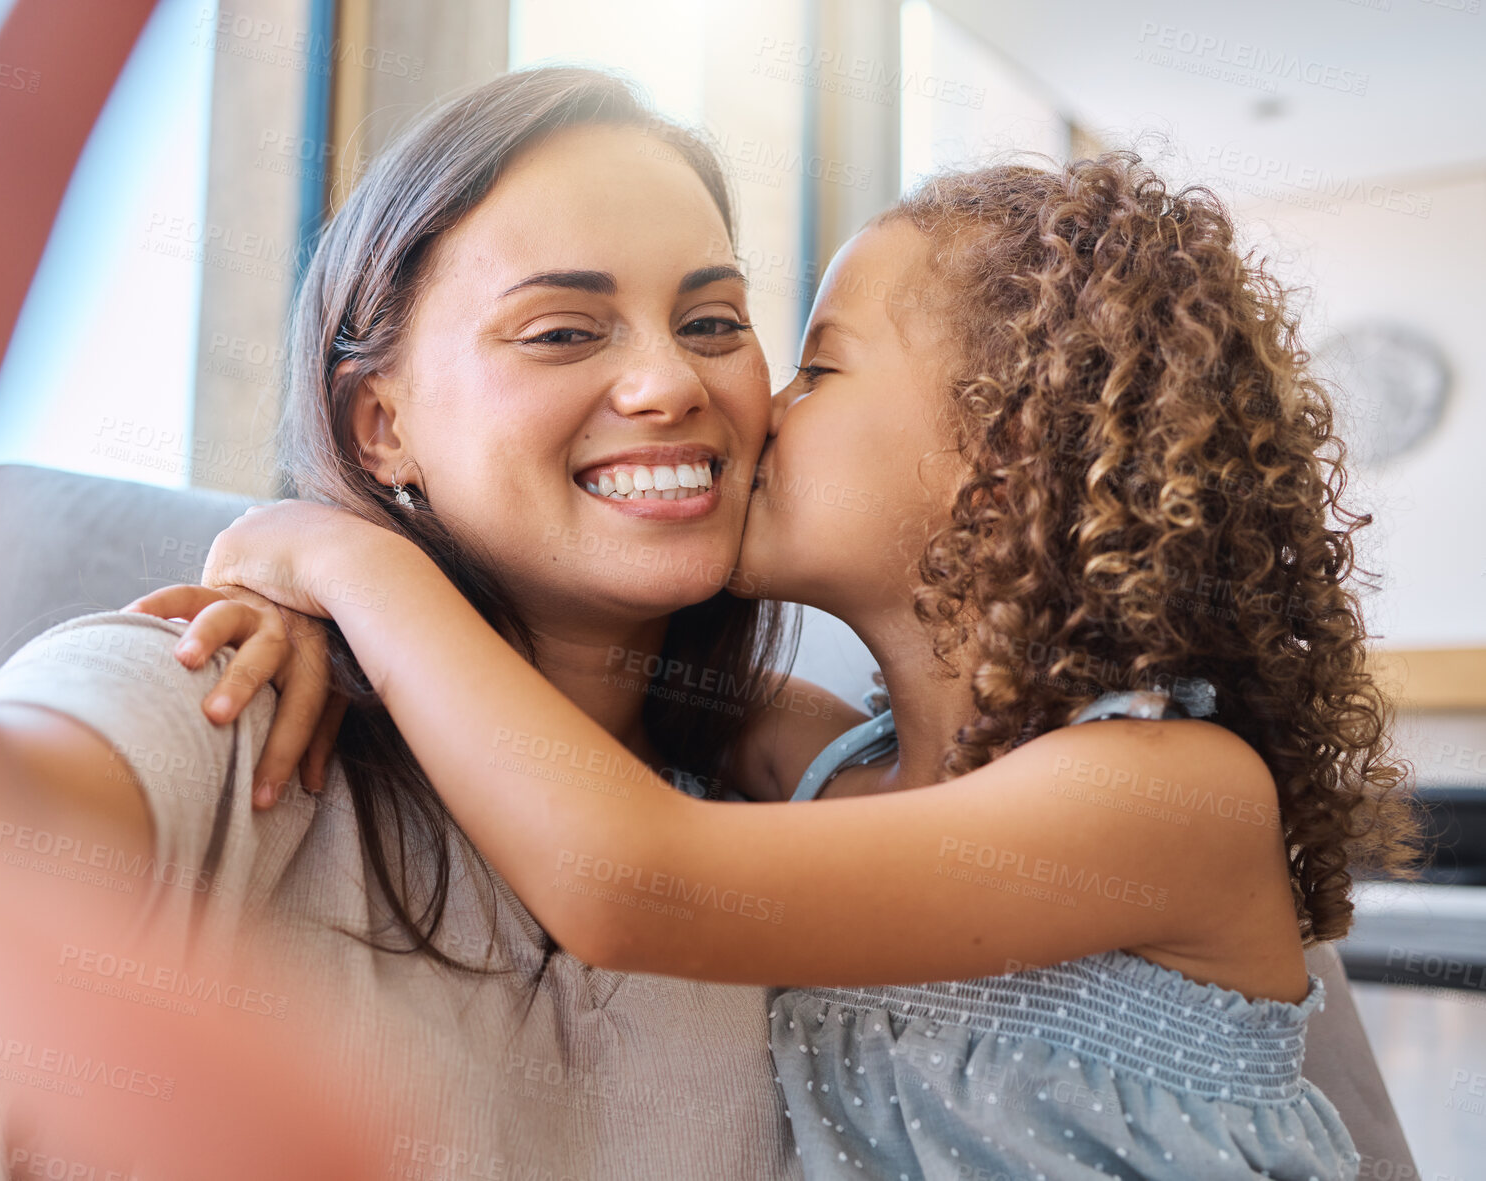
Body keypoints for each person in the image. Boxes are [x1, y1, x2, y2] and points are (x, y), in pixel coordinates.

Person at [152, 152, 1421, 1180]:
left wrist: (344, 563)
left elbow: (625, 874)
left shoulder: (1165, 794)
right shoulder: (816, 761)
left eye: (817, 368)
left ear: (1007, 447)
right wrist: (311, 621)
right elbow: (546, 680)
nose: (756, 402)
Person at [0, 67, 875, 1180]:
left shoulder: (791, 824)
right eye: (560, 331)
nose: (667, 380)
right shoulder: (225, 685)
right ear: (381, 425)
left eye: (711, 320)